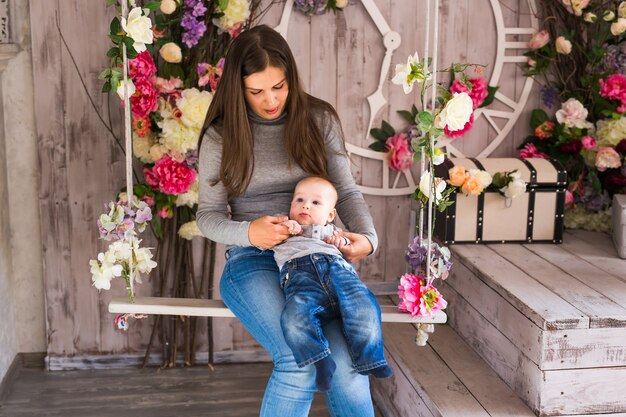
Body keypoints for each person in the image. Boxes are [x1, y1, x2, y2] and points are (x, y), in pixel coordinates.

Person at [196, 24, 380, 417]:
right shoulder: (220, 136)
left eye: (279, 87)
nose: (271, 100)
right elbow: (208, 217)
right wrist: (249, 231)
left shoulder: (318, 119)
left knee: (349, 367)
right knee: (298, 362)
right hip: (253, 261)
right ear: (237, 87)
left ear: (291, 78)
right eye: (256, 91)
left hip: (320, 259)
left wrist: (367, 238)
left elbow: (345, 191)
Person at [275, 176, 392, 392]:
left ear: (330, 215)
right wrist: (284, 226)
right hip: (301, 279)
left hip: (339, 273)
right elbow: (267, 235)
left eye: (315, 202)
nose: (306, 205)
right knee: (293, 319)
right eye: (299, 199)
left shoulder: (333, 231)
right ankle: (320, 360)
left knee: (364, 305)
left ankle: (371, 358)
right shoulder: (284, 229)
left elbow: (347, 245)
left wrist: (342, 242)